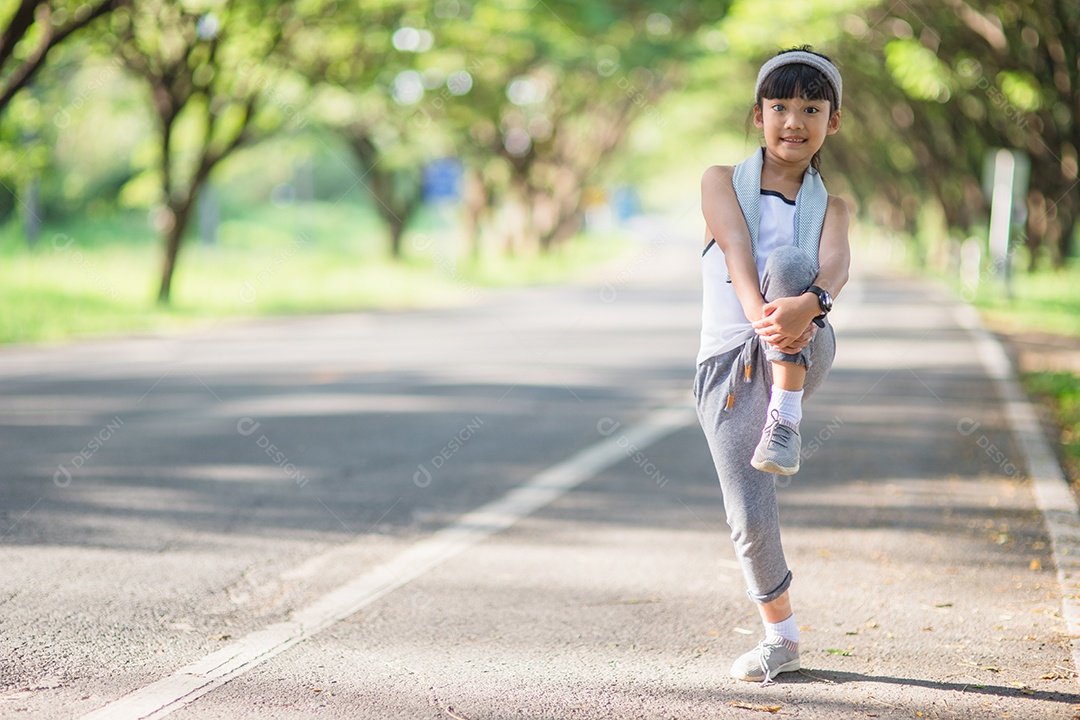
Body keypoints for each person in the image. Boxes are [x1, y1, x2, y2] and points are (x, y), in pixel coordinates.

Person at [694, 46, 851, 684]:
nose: (794, 121)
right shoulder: (719, 181)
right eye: (780, 106)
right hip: (729, 362)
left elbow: (834, 268)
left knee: (792, 267)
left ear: (832, 122)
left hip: (807, 342)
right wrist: (765, 320)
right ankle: (781, 639)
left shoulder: (832, 208)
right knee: (749, 515)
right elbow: (735, 249)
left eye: (811, 109)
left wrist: (807, 306)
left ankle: (785, 419)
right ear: (758, 115)